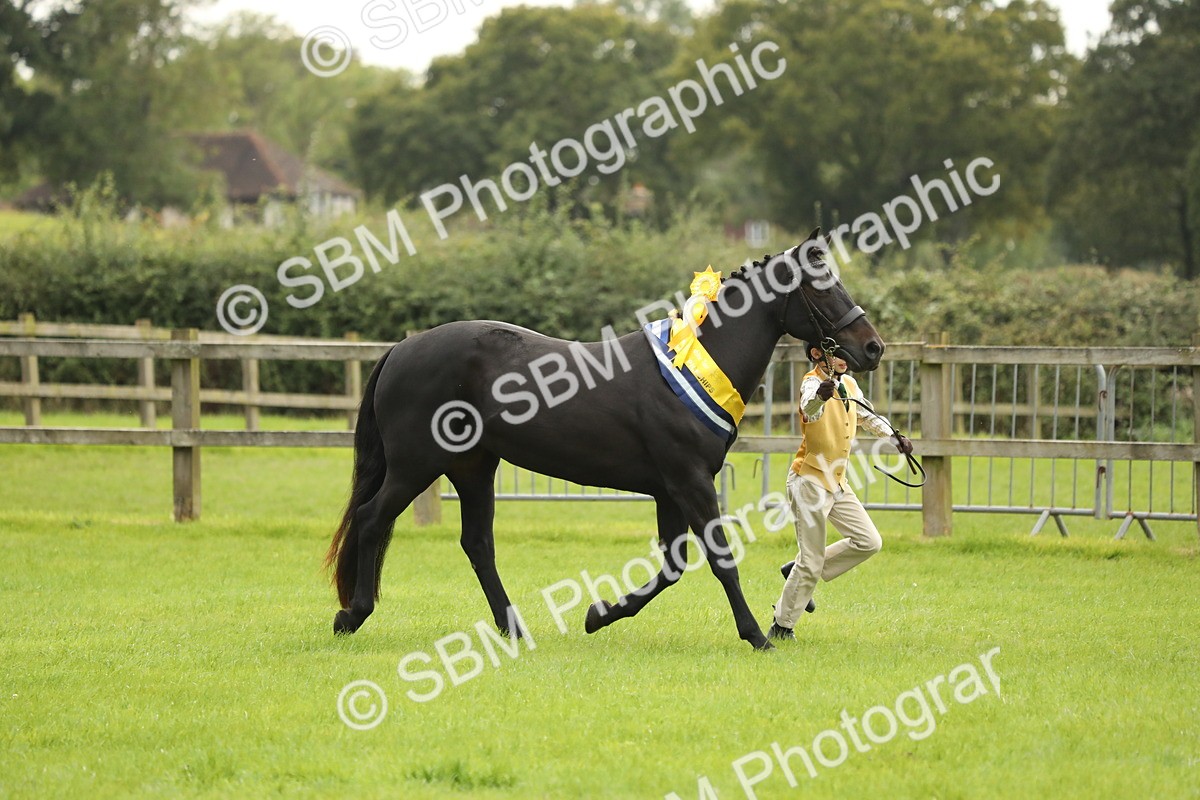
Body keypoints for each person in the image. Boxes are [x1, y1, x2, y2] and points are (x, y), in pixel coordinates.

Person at [768, 342, 913, 641]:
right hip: (809, 483)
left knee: (869, 541)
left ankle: (796, 568)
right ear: (817, 354)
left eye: (848, 352)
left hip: (837, 482)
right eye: (838, 353)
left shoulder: (849, 383)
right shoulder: (811, 382)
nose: (846, 358)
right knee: (811, 561)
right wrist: (822, 394)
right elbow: (809, 410)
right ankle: (781, 626)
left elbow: (868, 416)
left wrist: (894, 438)